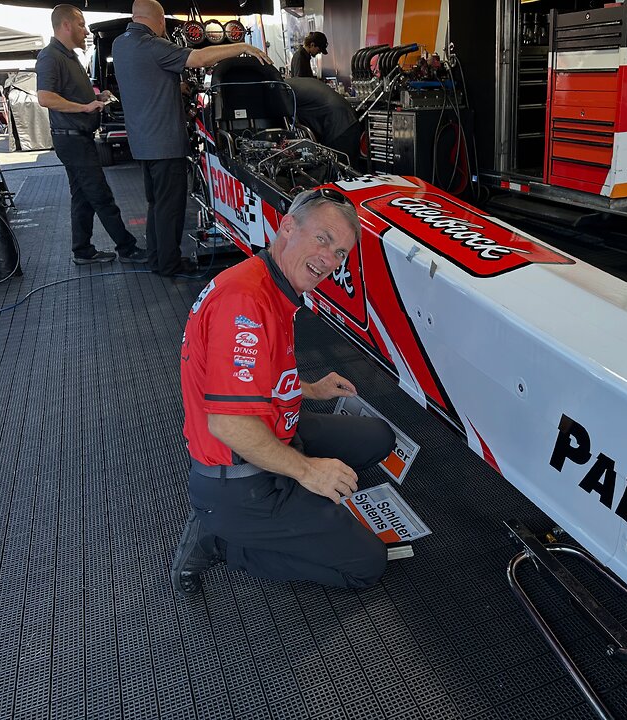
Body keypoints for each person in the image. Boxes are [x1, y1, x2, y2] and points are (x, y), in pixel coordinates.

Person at [171, 187, 395, 593]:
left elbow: (250, 376)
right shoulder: (246, 303)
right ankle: (218, 541)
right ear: (288, 226)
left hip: (275, 430)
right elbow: (227, 424)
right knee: (367, 565)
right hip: (240, 481)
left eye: (341, 252)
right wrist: (308, 471)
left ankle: (295, 477)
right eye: (323, 239)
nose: (329, 259)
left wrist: (309, 388)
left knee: (379, 438)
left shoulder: (269, 282)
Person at [113, 0, 272, 278]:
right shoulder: (152, 45)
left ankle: (157, 259)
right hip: (164, 143)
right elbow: (198, 58)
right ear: (159, 19)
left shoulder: (121, 44)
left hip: (142, 142)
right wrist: (243, 47)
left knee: (156, 204)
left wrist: (175, 85)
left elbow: (147, 79)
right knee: (170, 206)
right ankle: (170, 265)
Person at [36, 4, 149, 266]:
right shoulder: (50, 56)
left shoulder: (69, 56)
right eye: (80, 24)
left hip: (78, 136)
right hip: (72, 138)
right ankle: (127, 248)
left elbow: (69, 93)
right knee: (100, 195)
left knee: (83, 196)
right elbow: (45, 97)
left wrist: (96, 97)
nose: (85, 30)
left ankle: (82, 250)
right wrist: (85, 107)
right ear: (65, 25)